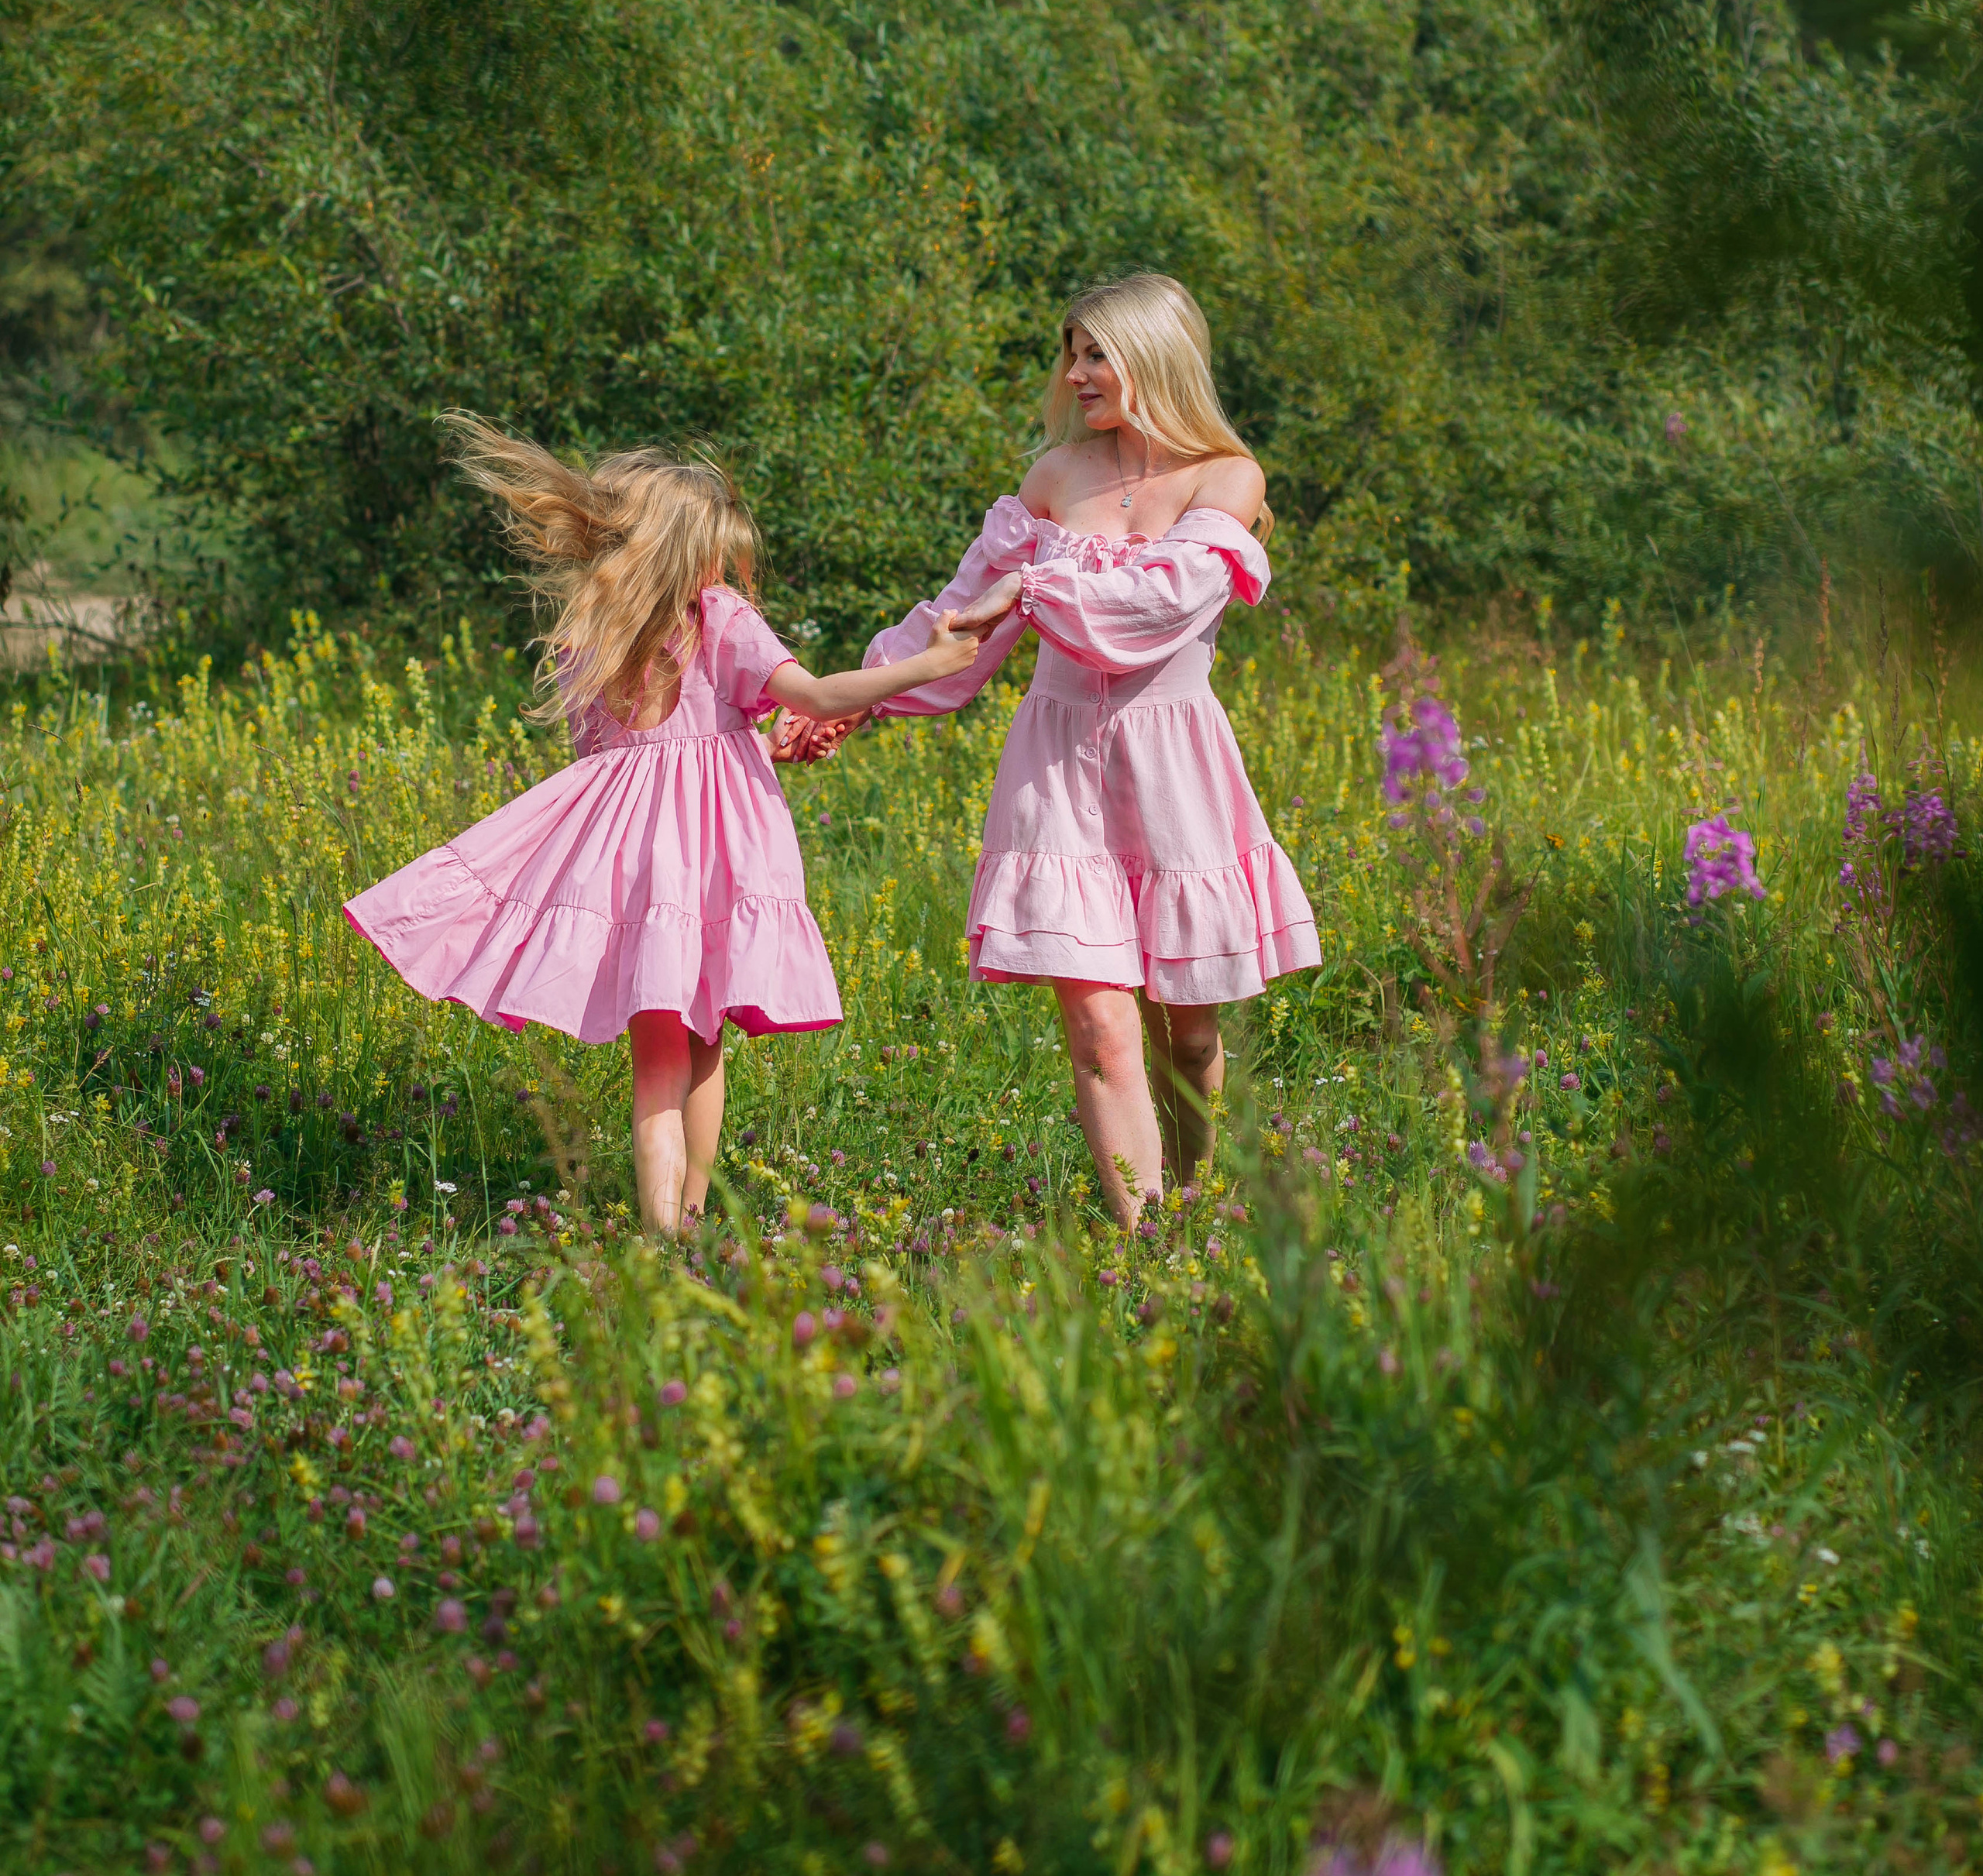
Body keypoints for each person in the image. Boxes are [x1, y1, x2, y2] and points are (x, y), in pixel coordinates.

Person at [344, 420, 981, 1234]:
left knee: (661, 1053)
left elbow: (632, 755)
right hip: (718, 858)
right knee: (704, 1036)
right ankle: (681, 1221)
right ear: (692, 555)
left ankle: (668, 1225)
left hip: (632, 866)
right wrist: (928, 665)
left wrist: (742, 740)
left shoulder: (596, 629)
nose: (726, 571)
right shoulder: (718, 615)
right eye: (718, 553)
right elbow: (814, 698)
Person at [817, 272, 1319, 1228]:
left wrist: (1033, 589)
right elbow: (962, 612)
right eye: (1071, 353)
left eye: (1096, 353)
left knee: (1192, 1032)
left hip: (1173, 768)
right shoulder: (1053, 477)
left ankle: (1196, 1198)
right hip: (1056, 767)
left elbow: (1157, 610)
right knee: (1097, 1026)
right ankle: (1146, 1246)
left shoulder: (1227, 478)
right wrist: (856, 699)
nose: (1076, 373)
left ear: (1155, 357)